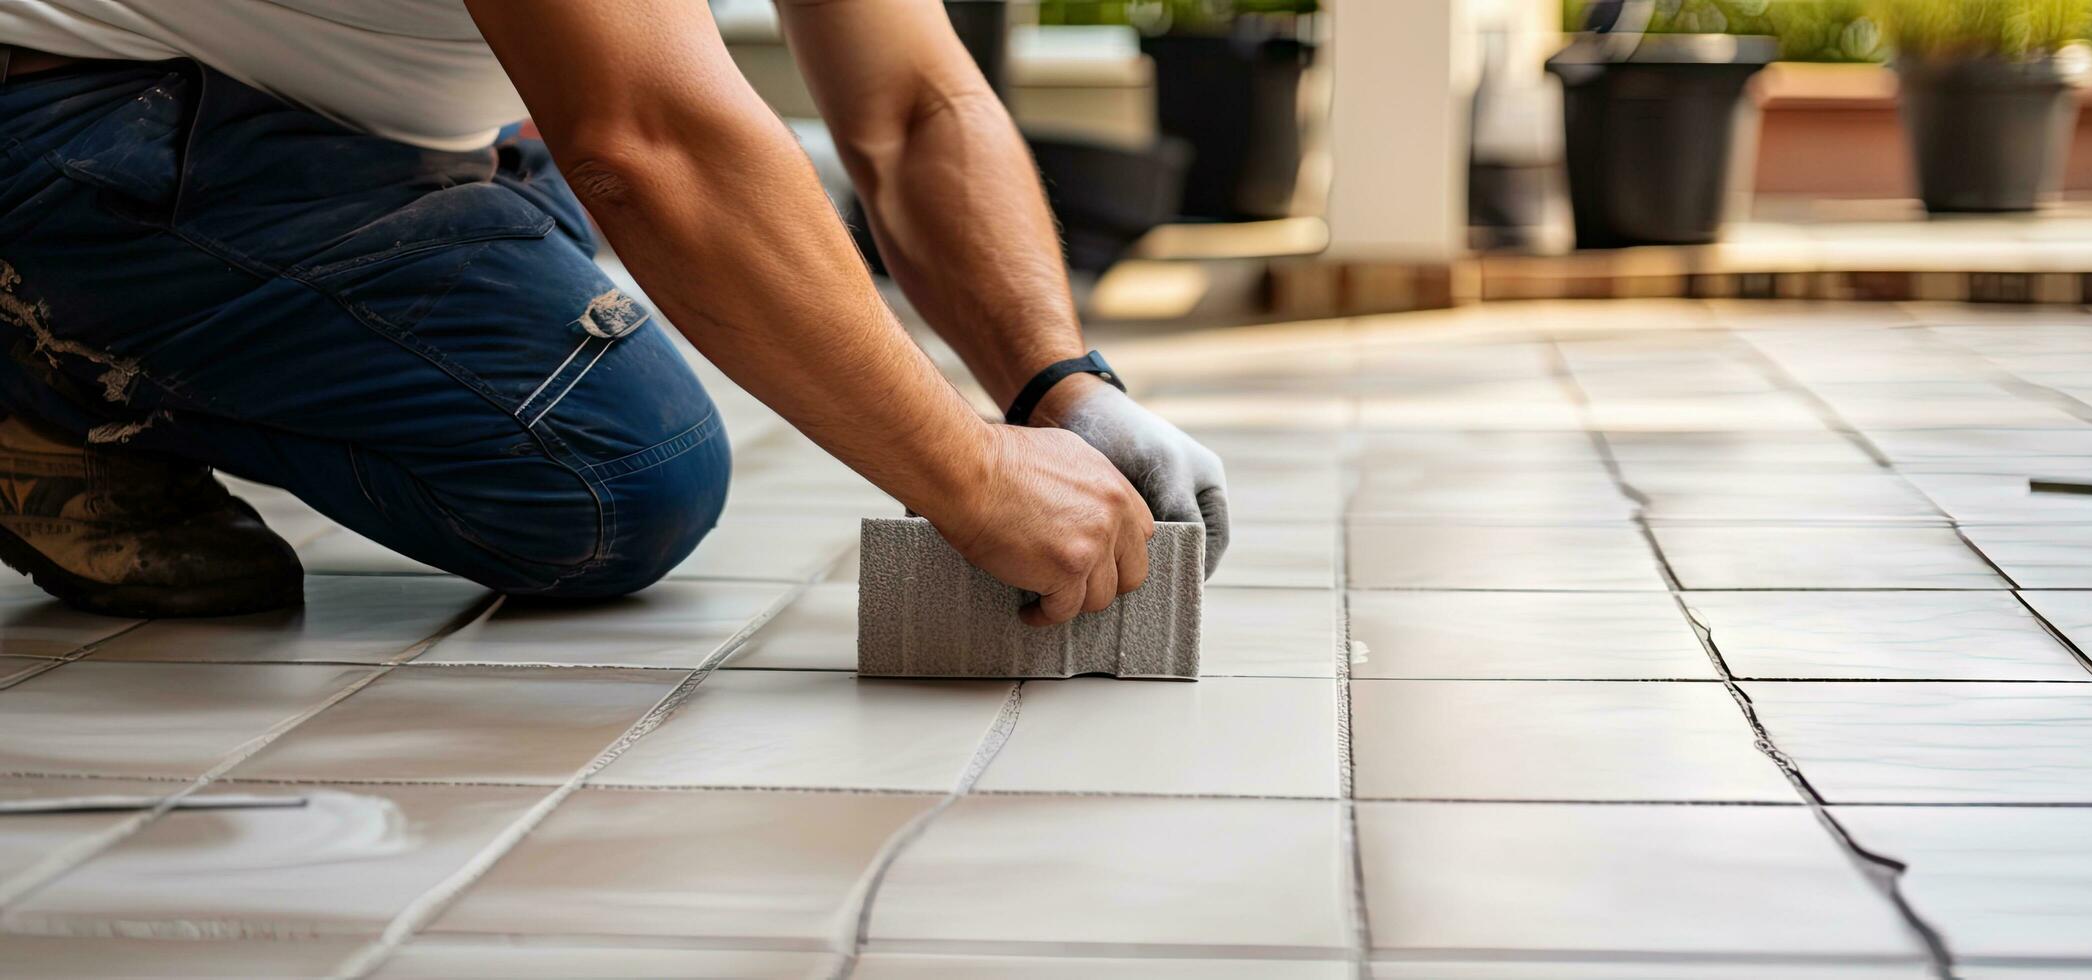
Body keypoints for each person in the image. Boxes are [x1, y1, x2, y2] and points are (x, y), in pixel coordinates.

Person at [0, 0, 1231, 625]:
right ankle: (38, 368)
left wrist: (1058, 384)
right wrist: (967, 472)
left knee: (737, 243)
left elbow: (910, 105)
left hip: (325, 123)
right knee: (614, 464)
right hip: (69, 123)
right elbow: (644, 147)